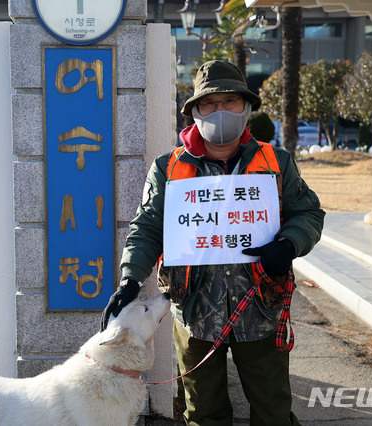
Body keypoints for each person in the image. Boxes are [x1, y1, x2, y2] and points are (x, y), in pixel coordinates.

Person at [101, 60, 325, 425]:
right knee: (203, 413)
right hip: (194, 312)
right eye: (209, 103)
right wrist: (130, 277)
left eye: (231, 101)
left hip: (262, 308)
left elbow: (309, 214)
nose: (220, 111)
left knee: (272, 411)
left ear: (247, 108)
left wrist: (288, 244)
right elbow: (148, 227)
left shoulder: (276, 162)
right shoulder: (168, 167)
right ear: (193, 113)